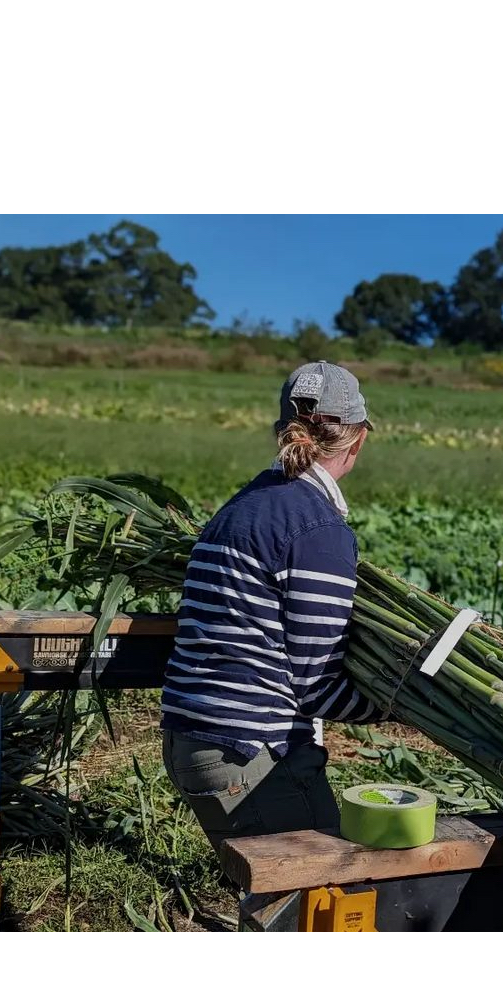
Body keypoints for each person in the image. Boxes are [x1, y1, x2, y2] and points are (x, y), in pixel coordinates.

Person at [160, 360, 385, 848]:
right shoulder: (317, 530)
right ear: (358, 439)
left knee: (273, 904)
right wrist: (398, 708)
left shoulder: (241, 507)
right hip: (248, 752)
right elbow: (317, 686)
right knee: (319, 897)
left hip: (192, 735)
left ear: (281, 431)